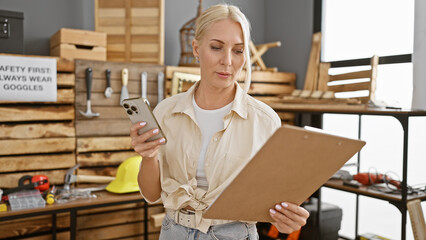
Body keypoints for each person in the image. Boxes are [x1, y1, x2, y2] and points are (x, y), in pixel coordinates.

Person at [130, 4, 309, 239]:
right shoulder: (166, 112)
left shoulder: (265, 121)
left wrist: (288, 220)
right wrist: (148, 157)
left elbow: (276, 201)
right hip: (173, 232)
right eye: (216, 47)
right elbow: (152, 195)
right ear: (196, 48)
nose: (227, 61)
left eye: (238, 51)